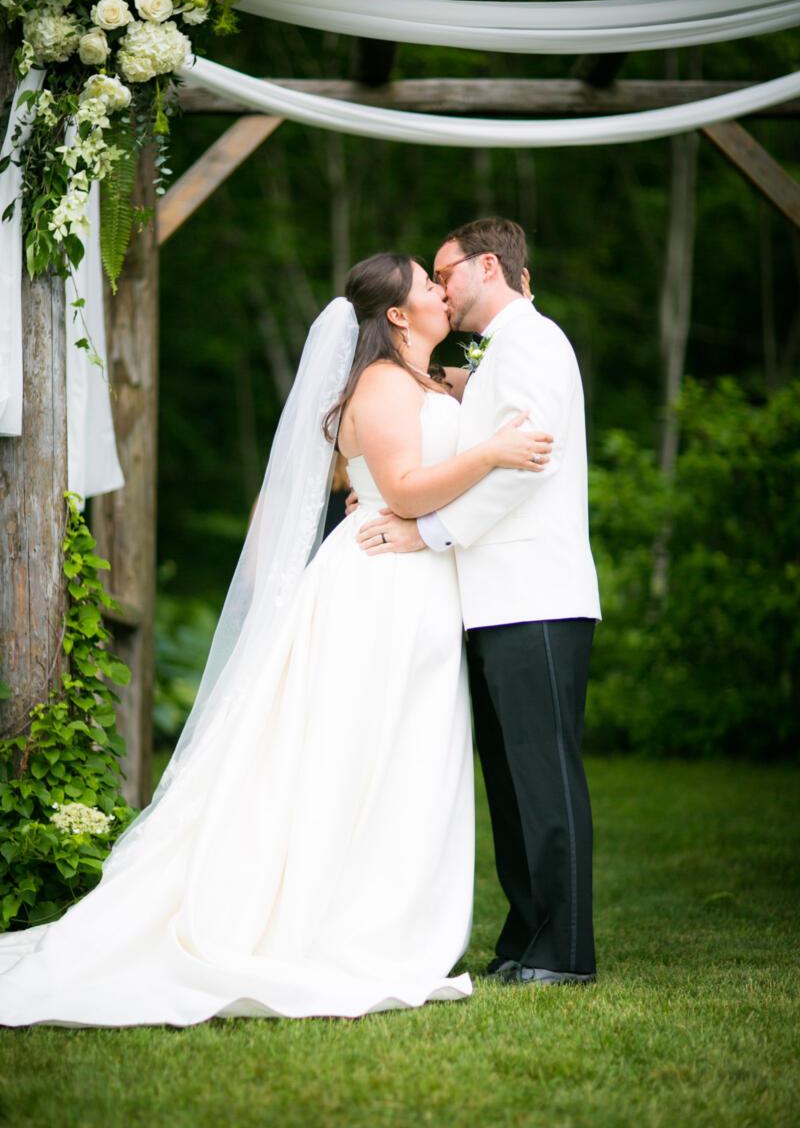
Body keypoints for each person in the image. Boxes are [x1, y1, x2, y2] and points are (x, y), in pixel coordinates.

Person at [0, 253, 554, 1027]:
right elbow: (399, 490)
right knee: (361, 749)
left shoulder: (423, 381)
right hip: (381, 582)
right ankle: (347, 922)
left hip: (419, 584)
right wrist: (491, 452)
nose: (439, 288)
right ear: (396, 314)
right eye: (427, 284)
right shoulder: (387, 382)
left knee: (402, 748)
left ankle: (377, 905)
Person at [356, 220, 602, 987]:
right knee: (509, 775)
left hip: (536, 592)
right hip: (491, 600)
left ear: (486, 266)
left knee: (544, 769)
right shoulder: (501, 355)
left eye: (445, 271)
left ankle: (565, 951)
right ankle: (526, 935)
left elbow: (523, 468)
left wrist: (427, 531)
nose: (441, 287)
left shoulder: (532, 342)